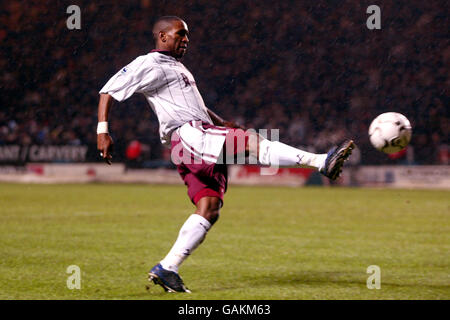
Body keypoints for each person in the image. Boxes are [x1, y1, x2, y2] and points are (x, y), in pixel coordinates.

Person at [96, 16, 355, 293]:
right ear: (162, 37)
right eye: (179, 35)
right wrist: (103, 131)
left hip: (192, 141)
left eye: (187, 37)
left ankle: (167, 268)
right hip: (190, 136)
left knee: (209, 209)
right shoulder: (149, 63)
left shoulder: (177, 68)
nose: (185, 40)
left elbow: (196, 106)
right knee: (251, 143)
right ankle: (320, 162)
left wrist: (221, 122)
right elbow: (109, 90)